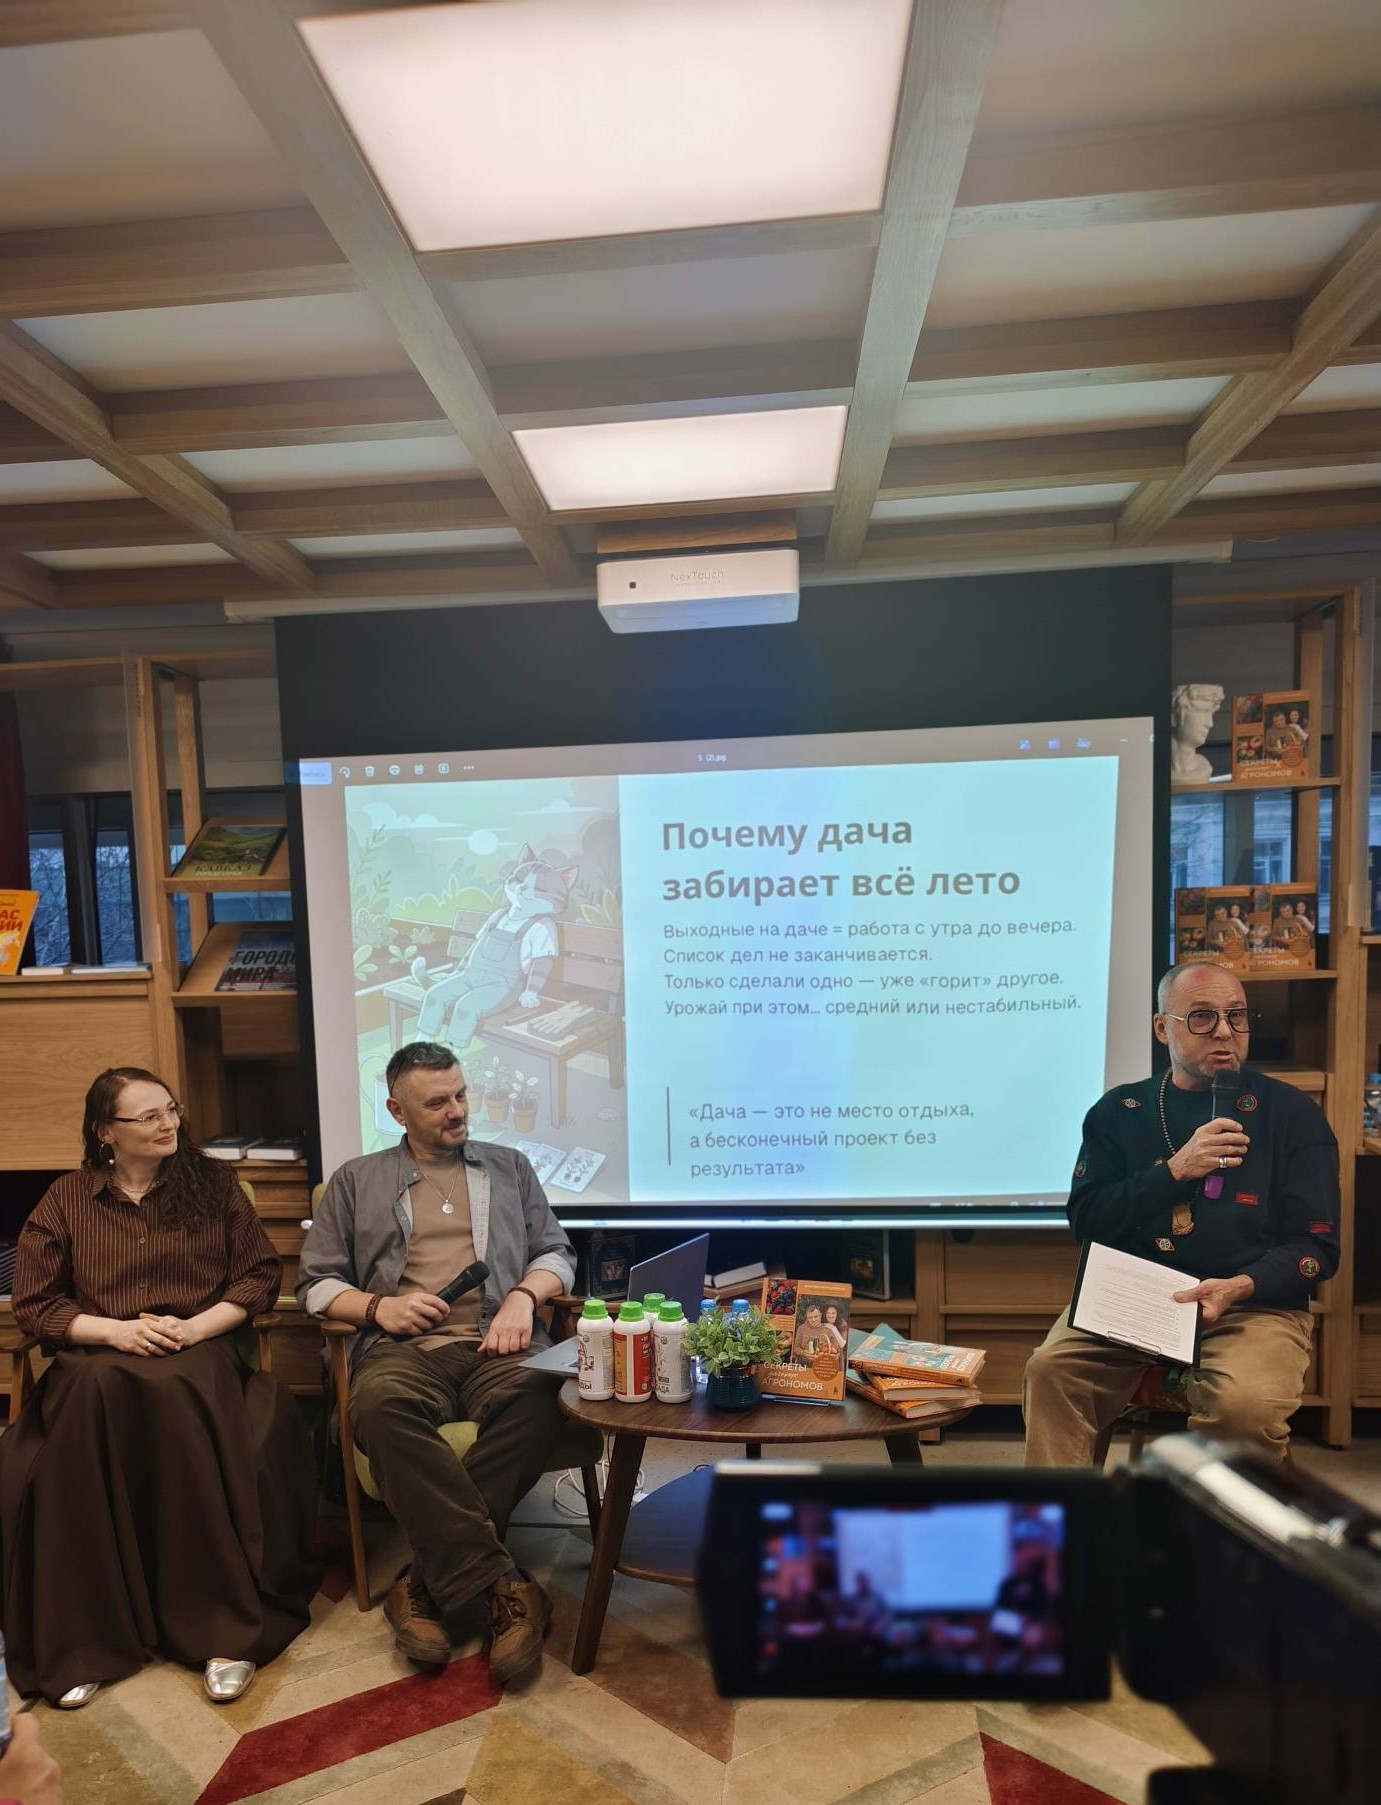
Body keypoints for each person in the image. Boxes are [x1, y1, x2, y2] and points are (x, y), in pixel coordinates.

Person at [0, 1068, 318, 1708]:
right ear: (105, 1131)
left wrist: (197, 1327)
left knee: (174, 1387)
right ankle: (84, 1639)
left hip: (196, 1351)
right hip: (99, 1355)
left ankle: (222, 1630)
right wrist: (113, 1333)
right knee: (91, 1392)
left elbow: (258, 1277)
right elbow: (35, 1304)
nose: (167, 1123)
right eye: (147, 1116)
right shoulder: (66, 1198)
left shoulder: (214, 1184)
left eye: (170, 1109)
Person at [297, 1041, 577, 1687]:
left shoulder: (509, 1167)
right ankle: (503, 1586)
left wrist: (522, 1296)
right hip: (401, 1351)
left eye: (461, 1095)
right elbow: (315, 1284)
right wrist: (378, 1307)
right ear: (397, 1111)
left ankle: (423, 1583)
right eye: (437, 1102)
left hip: (500, 1345)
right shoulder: (355, 1179)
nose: (457, 1111)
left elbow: (556, 1253)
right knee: (376, 1406)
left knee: (545, 1397)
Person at [1023, 965, 1339, 1465]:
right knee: (1052, 1372)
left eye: (1236, 1016)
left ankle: (1222, 1516)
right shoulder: (1119, 1111)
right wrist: (1174, 1171)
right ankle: (1066, 1514)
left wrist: (1239, 1286)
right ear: (1161, 1028)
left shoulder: (1292, 1115)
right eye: (1202, 1017)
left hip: (1250, 1305)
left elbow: (1316, 1249)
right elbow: (1088, 1223)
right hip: (1135, 1298)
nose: (1224, 1031)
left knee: (1243, 1408)